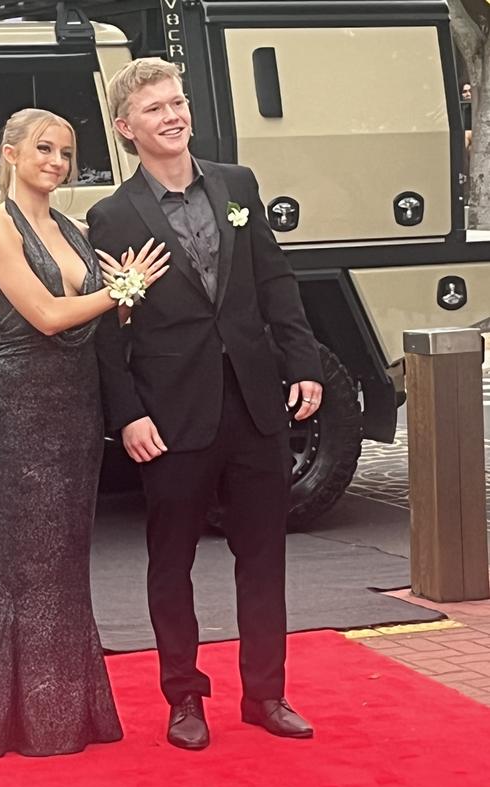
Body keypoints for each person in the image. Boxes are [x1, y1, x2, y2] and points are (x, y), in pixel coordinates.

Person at [88, 59, 324, 751]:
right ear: (126, 128)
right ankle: (183, 697)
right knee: (172, 563)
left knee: (263, 556)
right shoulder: (111, 216)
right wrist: (127, 414)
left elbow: (276, 282)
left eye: (178, 101)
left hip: (254, 405)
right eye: (154, 108)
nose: (173, 115)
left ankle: (266, 693)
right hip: (170, 416)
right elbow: (108, 329)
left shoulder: (237, 186)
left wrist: (303, 363)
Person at [0, 107, 168, 757]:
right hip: (17, 409)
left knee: (65, 562)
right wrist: (124, 287)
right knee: (27, 563)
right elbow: (49, 314)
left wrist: (128, 295)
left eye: (67, 152)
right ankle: (26, 719)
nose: (56, 161)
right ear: (12, 153)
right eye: (44, 149)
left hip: (74, 409)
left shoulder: (75, 230)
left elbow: (102, 320)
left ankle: (68, 710)